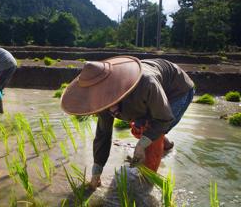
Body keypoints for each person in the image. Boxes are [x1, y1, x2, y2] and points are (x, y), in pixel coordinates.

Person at [60, 56, 194, 190]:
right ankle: (167, 145)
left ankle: (146, 184)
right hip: (144, 97)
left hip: (176, 90)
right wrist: (96, 172)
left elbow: (163, 118)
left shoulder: (147, 83)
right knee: (139, 130)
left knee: (152, 137)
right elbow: (103, 134)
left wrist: (142, 144)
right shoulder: (101, 100)